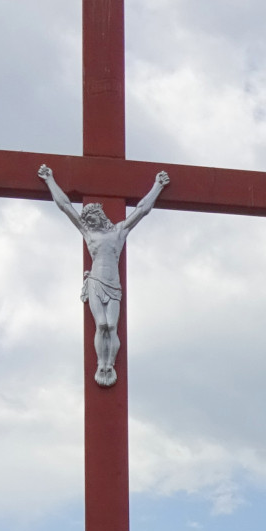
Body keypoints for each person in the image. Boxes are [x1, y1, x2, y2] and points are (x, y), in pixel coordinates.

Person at [37, 163, 170, 386]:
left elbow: (142, 210)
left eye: (92, 217)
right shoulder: (88, 233)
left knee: (112, 326)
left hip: (113, 284)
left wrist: (158, 186)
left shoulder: (119, 231)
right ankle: (101, 363)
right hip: (96, 282)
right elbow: (65, 206)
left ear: (99, 216)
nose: (89, 221)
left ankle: (111, 364)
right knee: (101, 325)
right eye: (87, 219)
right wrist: (50, 180)